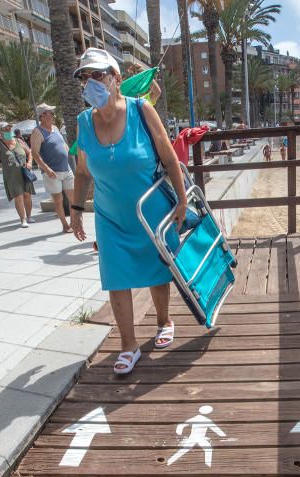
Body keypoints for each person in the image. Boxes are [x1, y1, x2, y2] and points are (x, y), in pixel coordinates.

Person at [70, 48, 188, 375]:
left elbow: (168, 157)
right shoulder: (83, 122)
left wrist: (181, 200)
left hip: (149, 210)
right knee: (115, 276)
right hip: (110, 217)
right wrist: (77, 209)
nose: (90, 82)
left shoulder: (141, 110)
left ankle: (164, 321)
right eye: (84, 77)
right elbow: (82, 171)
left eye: (98, 74)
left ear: (116, 79)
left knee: (155, 268)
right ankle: (128, 344)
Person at [30, 103, 77, 233]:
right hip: (52, 172)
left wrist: (72, 151)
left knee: (73, 197)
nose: (53, 115)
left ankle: (74, 222)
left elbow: (63, 145)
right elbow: (35, 153)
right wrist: (46, 169)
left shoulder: (55, 128)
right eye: (50, 113)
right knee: (58, 200)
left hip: (66, 169)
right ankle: (65, 225)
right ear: (42, 116)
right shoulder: (37, 132)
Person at [0, 121, 36, 228]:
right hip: (11, 175)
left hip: (24, 172)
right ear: (0, 132)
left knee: (27, 195)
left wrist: (30, 162)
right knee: (18, 196)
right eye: (5, 129)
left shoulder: (18, 141)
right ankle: (23, 219)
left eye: (9, 128)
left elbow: (29, 152)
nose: (8, 130)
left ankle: (29, 216)